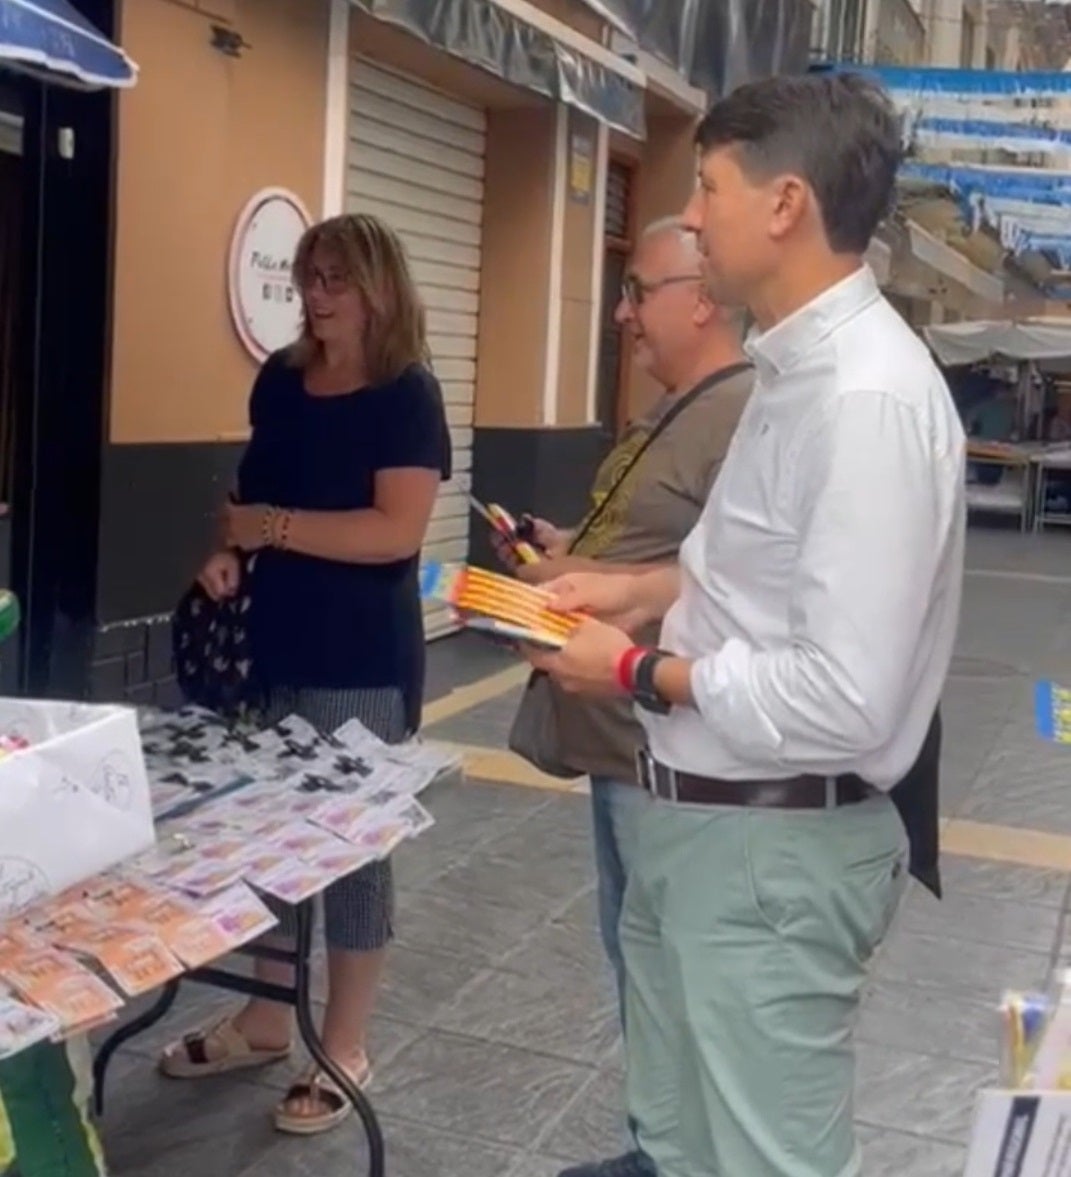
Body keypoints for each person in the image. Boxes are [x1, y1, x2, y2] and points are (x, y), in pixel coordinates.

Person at [525, 72, 965, 1177]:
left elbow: (844, 695)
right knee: (679, 1149)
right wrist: (627, 593)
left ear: (785, 205)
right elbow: (755, 573)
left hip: (771, 852)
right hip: (706, 833)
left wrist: (633, 668)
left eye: (708, 186)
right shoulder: (790, 370)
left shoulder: (865, 401)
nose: (690, 216)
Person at [159, 212, 451, 1136]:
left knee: (352, 851)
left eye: (335, 280)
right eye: (307, 277)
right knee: (264, 839)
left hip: (360, 656)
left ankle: (345, 1042)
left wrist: (274, 529)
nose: (316, 296)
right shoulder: (280, 382)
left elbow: (394, 532)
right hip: (269, 644)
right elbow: (245, 502)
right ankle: (263, 1018)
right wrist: (227, 553)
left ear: (379, 288)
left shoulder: (407, 393)